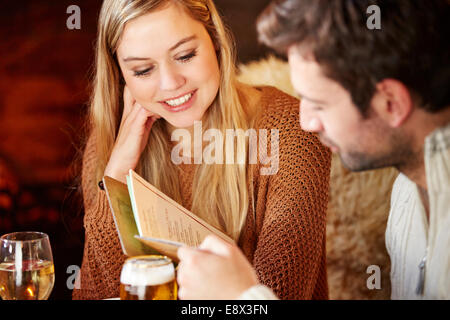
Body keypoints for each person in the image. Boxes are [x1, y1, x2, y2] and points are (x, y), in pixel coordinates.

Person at [177, 0, 450, 300]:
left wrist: (242, 299)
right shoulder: (409, 188)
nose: (305, 122)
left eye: (319, 104)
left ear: (391, 103)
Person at [72, 0, 331, 300]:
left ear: (216, 42)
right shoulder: (110, 143)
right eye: (143, 70)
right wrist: (116, 181)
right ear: (120, 75)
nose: (171, 83)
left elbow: (271, 298)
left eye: (185, 55)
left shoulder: (291, 132)